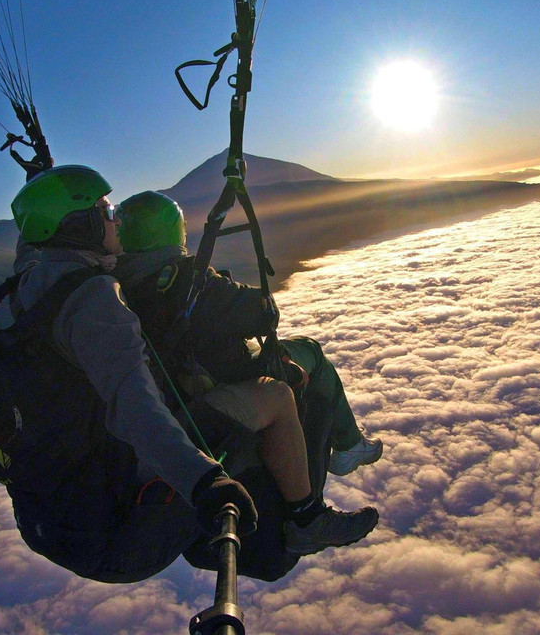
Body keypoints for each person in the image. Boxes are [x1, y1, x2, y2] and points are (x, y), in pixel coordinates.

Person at [5, 164, 258, 582]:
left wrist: (43, 189)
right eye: (106, 212)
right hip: (119, 533)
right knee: (257, 411)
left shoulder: (27, 286)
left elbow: (32, 247)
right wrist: (203, 482)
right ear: (82, 224)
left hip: (48, 520)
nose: (116, 220)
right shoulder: (95, 299)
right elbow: (134, 405)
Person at [113, 190, 381, 556]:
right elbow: (261, 313)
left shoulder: (116, 286)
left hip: (171, 394)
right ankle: (326, 484)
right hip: (206, 396)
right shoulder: (189, 280)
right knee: (310, 354)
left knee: (284, 356)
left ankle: (343, 449)